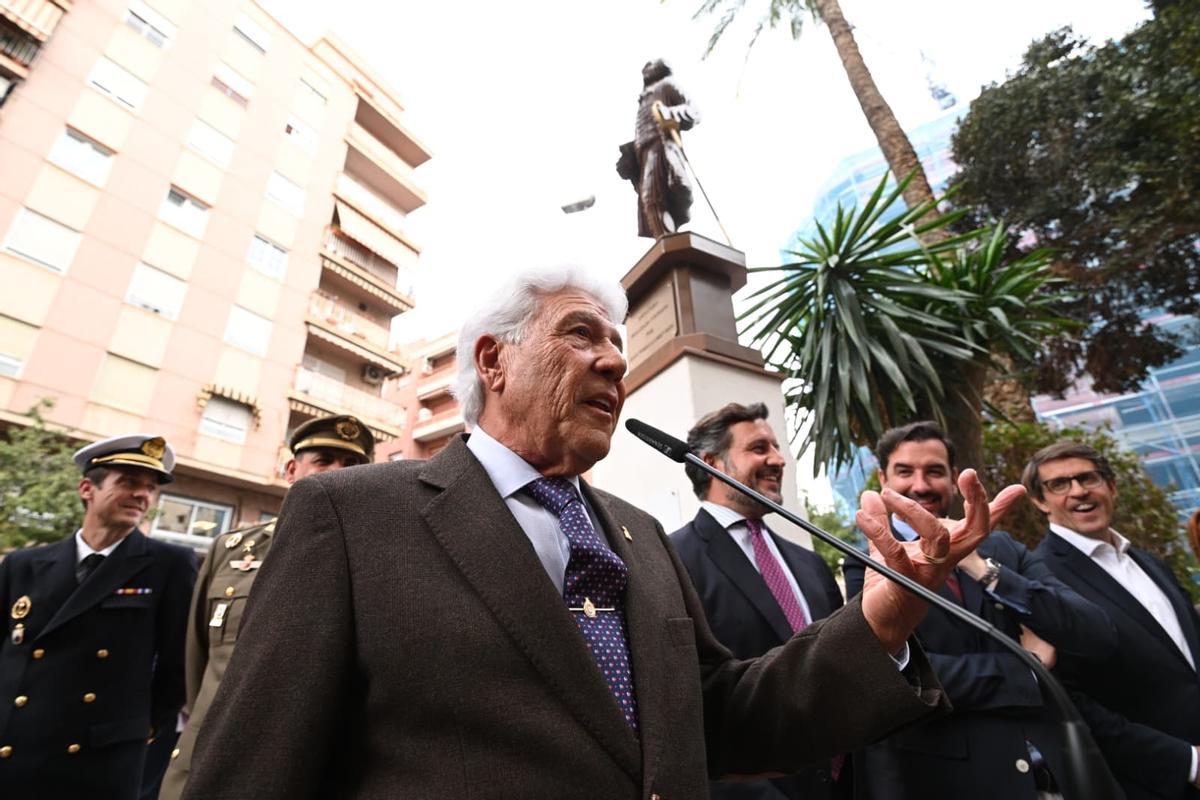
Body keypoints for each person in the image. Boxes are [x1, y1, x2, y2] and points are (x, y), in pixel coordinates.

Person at [183, 265, 1025, 799]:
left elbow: (717, 722)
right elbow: (256, 763)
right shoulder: (356, 514)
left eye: (619, 344)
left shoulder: (638, 535)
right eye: (581, 334)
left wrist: (881, 621)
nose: (614, 362)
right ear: (492, 361)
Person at [844, 421, 1115, 799]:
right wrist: (1029, 668)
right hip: (962, 781)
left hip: (1065, 771)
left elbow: (1092, 631)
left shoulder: (1002, 549)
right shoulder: (867, 565)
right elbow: (897, 673)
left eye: (934, 471)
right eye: (905, 472)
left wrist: (981, 569)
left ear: (954, 479)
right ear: (883, 478)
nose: (920, 485)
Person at [158, 415, 375, 800]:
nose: (338, 474)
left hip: (316, 768)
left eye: (354, 466)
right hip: (210, 758)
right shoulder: (231, 551)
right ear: (292, 470)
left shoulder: (382, 561)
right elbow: (197, 661)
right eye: (323, 460)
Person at [0, 434, 196, 800]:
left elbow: (177, 665)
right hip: (15, 744)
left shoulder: (169, 565)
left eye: (151, 488)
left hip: (100, 757)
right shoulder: (23, 565)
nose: (143, 495)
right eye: (128, 482)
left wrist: (139, 728)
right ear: (87, 488)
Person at [670, 401, 850, 800]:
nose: (777, 459)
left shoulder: (810, 562)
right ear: (713, 462)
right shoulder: (670, 558)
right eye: (759, 448)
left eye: (776, 446)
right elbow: (684, 699)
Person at [1027, 442, 1200, 800]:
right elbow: (1068, 701)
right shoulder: (1041, 579)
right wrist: (1187, 763)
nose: (1078, 491)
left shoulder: (1147, 562)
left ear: (1111, 486)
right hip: (1157, 783)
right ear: (1040, 502)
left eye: (1088, 478)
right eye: (1059, 484)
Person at [616, 59, 698, 238]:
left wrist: (671, 114)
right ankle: (664, 242)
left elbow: (693, 112)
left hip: (660, 147)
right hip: (643, 153)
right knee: (649, 201)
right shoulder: (645, 98)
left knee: (653, 197)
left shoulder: (667, 86)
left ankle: (667, 242)